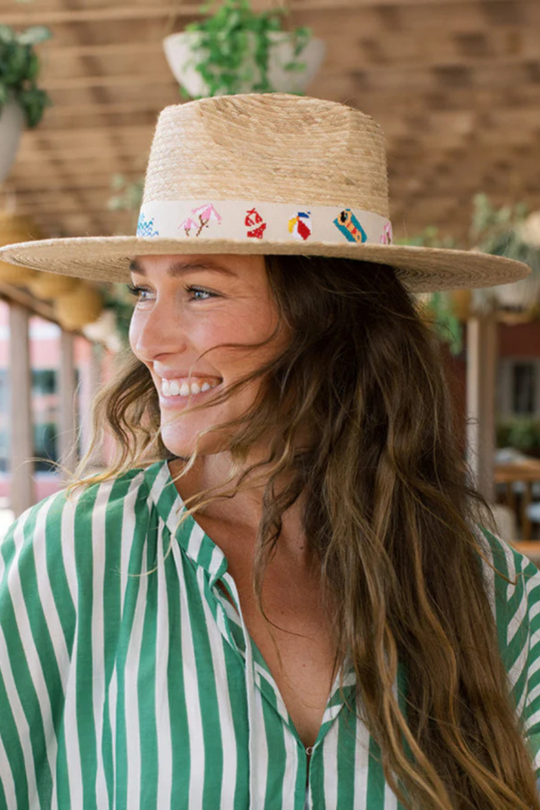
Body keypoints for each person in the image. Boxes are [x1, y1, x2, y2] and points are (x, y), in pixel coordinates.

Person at [0, 93, 538, 810]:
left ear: (332, 322)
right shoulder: (71, 557)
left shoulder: (491, 592)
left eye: (198, 291)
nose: (148, 341)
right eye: (141, 292)